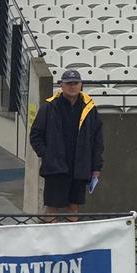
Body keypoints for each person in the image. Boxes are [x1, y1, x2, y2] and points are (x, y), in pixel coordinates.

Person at [29, 69, 104, 221]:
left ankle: (72, 236)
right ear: (61, 85)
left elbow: (97, 140)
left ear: (81, 85)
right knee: (52, 208)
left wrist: (96, 167)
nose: (72, 86)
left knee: (74, 208)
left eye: (75, 83)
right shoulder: (49, 107)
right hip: (55, 168)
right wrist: (47, 155)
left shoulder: (90, 109)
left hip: (80, 167)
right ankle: (51, 235)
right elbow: (35, 135)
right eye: (68, 83)